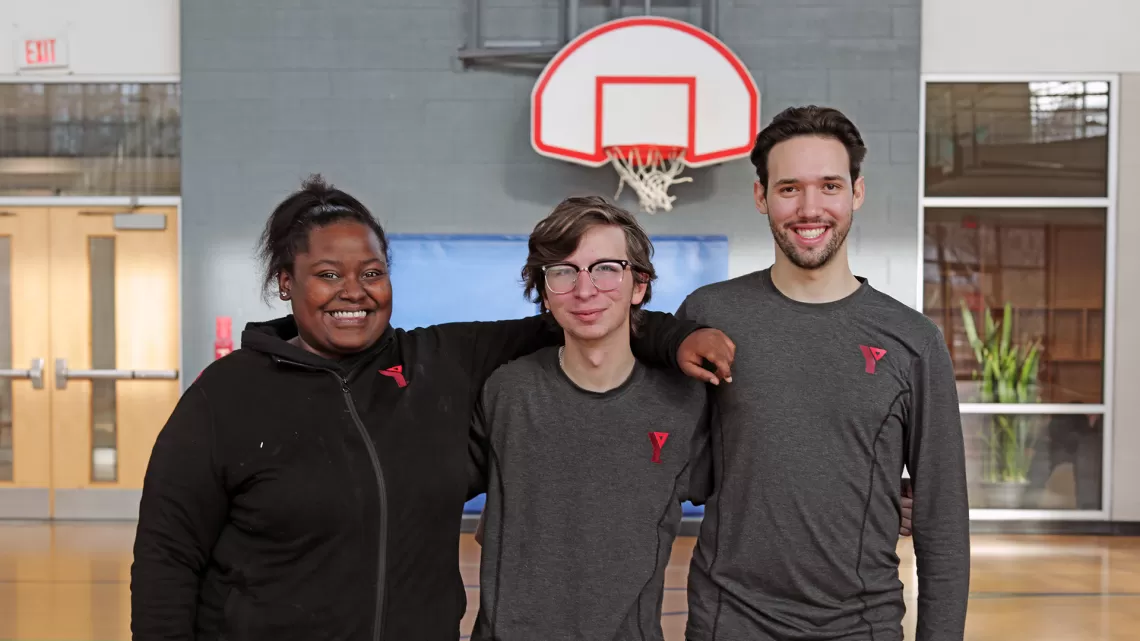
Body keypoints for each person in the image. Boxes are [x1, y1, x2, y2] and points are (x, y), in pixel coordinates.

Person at [128, 175, 737, 641]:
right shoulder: (225, 395)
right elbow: (166, 555)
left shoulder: (442, 362)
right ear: (286, 282)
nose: (353, 291)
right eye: (327, 274)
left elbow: (587, 319)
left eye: (371, 272)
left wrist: (675, 338)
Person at [678, 106, 970, 641]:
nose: (810, 208)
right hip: (729, 623)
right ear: (761, 196)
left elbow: (943, 522)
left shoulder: (913, 341)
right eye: (789, 188)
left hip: (861, 627)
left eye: (829, 186)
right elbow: (677, 466)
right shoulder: (708, 316)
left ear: (856, 192)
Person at [466, 196, 716, 640]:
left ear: (638, 285)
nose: (584, 290)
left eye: (606, 268)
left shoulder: (684, 404)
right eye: (563, 272)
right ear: (545, 291)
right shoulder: (505, 392)